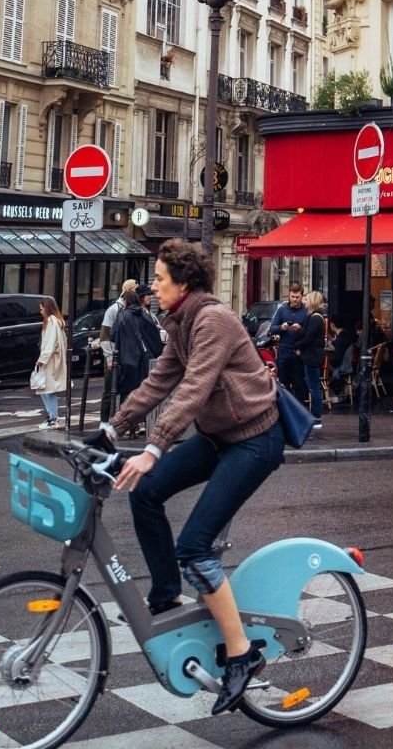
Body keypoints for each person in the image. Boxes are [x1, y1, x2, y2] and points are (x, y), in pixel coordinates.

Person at [95, 239, 285, 717]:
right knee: (146, 493)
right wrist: (110, 430)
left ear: (183, 282)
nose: (152, 286)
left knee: (195, 548)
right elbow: (159, 381)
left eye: (159, 278)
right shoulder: (179, 321)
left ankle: (242, 654)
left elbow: (195, 389)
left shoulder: (213, 320)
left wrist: (155, 447)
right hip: (221, 436)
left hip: (254, 440)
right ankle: (164, 597)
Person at [112, 285, 165, 410]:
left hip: (125, 358)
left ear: (127, 301)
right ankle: (139, 420)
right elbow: (154, 334)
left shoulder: (122, 316)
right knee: (142, 390)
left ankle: (127, 420)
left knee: (126, 393)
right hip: (143, 358)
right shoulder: (143, 315)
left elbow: (113, 334)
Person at [99, 279, 138, 422]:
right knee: (109, 392)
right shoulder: (114, 309)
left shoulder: (131, 309)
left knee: (126, 391)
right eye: (135, 290)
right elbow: (104, 335)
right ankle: (104, 422)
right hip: (114, 357)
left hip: (126, 357)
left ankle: (121, 422)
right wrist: (109, 357)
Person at [34, 297, 68, 430]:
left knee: (47, 390)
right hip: (53, 360)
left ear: (47, 307)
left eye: (42, 308)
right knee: (45, 389)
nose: (40, 311)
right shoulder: (57, 321)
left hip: (50, 361)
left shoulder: (52, 322)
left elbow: (50, 342)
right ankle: (51, 417)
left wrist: (42, 359)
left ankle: (53, 418)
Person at [269, 283, 308, 399]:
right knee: (283, 383)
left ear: (302, 296)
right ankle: (286, 411)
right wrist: (282, 327)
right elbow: (272, 329)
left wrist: (300, 329)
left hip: (299, 352)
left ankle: (299, 411)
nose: (294, 300)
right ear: (289, 295)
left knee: (299, 384)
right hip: (284, 351)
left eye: (297, 297)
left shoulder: (306, 311)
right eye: (292, 297)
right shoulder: (282, 310)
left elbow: (310, 331)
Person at [294, 291, 327, 428]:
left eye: (307, 299)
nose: (304, 302)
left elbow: (308, 338)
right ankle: (314, 416)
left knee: (314, 388)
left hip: (312, 356)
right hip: (310, 356)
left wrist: (296, 346)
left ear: (312, 301)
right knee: (312, 386)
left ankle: (316, 417)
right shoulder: (313, 317)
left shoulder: (315, 318)